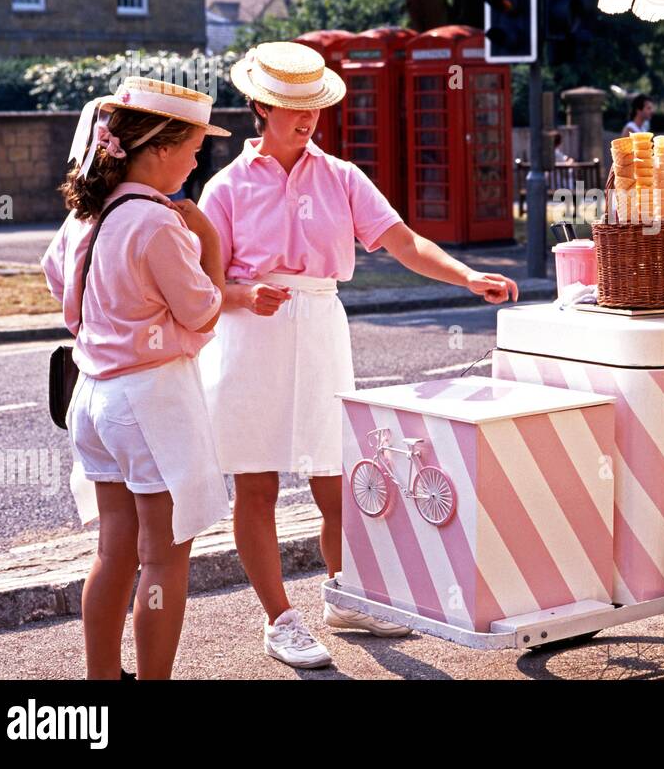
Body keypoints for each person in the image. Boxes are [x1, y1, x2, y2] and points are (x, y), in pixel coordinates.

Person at [198, 41, 520, 670]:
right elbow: (202, 285)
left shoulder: (342, 176)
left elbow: (403, 241)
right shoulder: (226, 187)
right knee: (257, 486)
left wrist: (465, 276)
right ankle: (279, 618)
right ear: (261, 106)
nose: (306, 116)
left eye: (313, 104)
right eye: (292, 105)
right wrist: (241, 294)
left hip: (320, 326)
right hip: (249, 338)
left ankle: (347, 595)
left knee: (339, 482)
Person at [41, 78, 233, 680]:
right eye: (194, 148)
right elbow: (203, 307)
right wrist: (207, 237)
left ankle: (101, 681)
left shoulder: (87, 212)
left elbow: (54, 277)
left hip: (94, 398)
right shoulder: (158, 224)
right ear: (158, 149)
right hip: (151, 402)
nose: (199, 160)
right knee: (165, 559)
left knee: (113, 552)